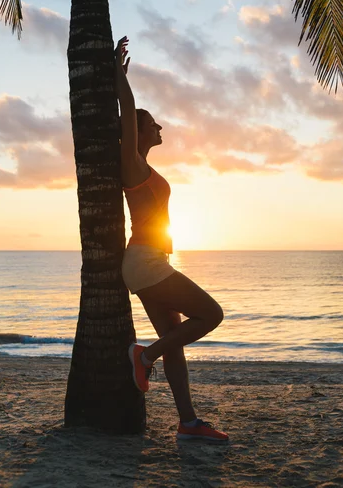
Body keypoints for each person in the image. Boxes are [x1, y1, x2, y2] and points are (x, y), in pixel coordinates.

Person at [115, 36, 228, 442]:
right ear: (138, 131)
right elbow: (127, 114)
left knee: (175, 342)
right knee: (211, 315)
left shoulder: (143, 164)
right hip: (145, 262)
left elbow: (134, 119)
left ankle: (188, 423)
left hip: (151, 262)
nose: (159, 127)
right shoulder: (131, 163)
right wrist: (119, 79)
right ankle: (143, 356)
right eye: (153, 123)